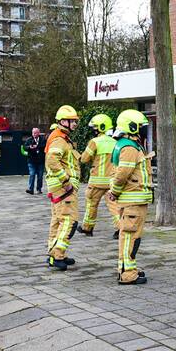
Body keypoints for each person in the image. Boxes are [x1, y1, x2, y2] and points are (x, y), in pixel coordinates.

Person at [109, 110, 152, 285]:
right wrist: (115, 191)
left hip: (134, 200)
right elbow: (122, 174)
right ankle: (127, 273)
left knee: (130, 235)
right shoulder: (129, 147)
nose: (143, 130)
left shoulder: (128, 145)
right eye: (141, 127)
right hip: (132, 200)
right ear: (132, 127)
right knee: (130, 236)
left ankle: (127, 268)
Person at [45, 105, 80, 271]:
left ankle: (55, 254)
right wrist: (65, 181)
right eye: (72, 121)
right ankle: (58, 255)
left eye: (75, 121)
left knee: (58, 221)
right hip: (63, 188)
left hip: (58, 187)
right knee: (69, 221)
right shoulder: (59, 139)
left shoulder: (62, 138)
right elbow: (52, 160)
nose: (75, 124)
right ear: (62, 122)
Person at [78, 113, 118, 237]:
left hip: (96, 182)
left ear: (101, 127)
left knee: (91, 204)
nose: (93, 130)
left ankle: (87, 228)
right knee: (114, 206)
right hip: (111, 181)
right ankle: (120, 228)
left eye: (95, 127)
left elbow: (84, 159)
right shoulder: (115, 142)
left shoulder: (94, 142)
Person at [21, 127, 46, 194]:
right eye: (33, 133)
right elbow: (24, 147)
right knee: (32, 174)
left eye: (35, 133)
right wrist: (30, 147)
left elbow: (45, 146)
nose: (34, 134)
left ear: (38, 133)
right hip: (31, 161)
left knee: (40, 176)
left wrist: (37, 147)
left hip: (40, 161)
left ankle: (39, 189)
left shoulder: (43, 139)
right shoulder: (29, 139)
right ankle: (30, 189)